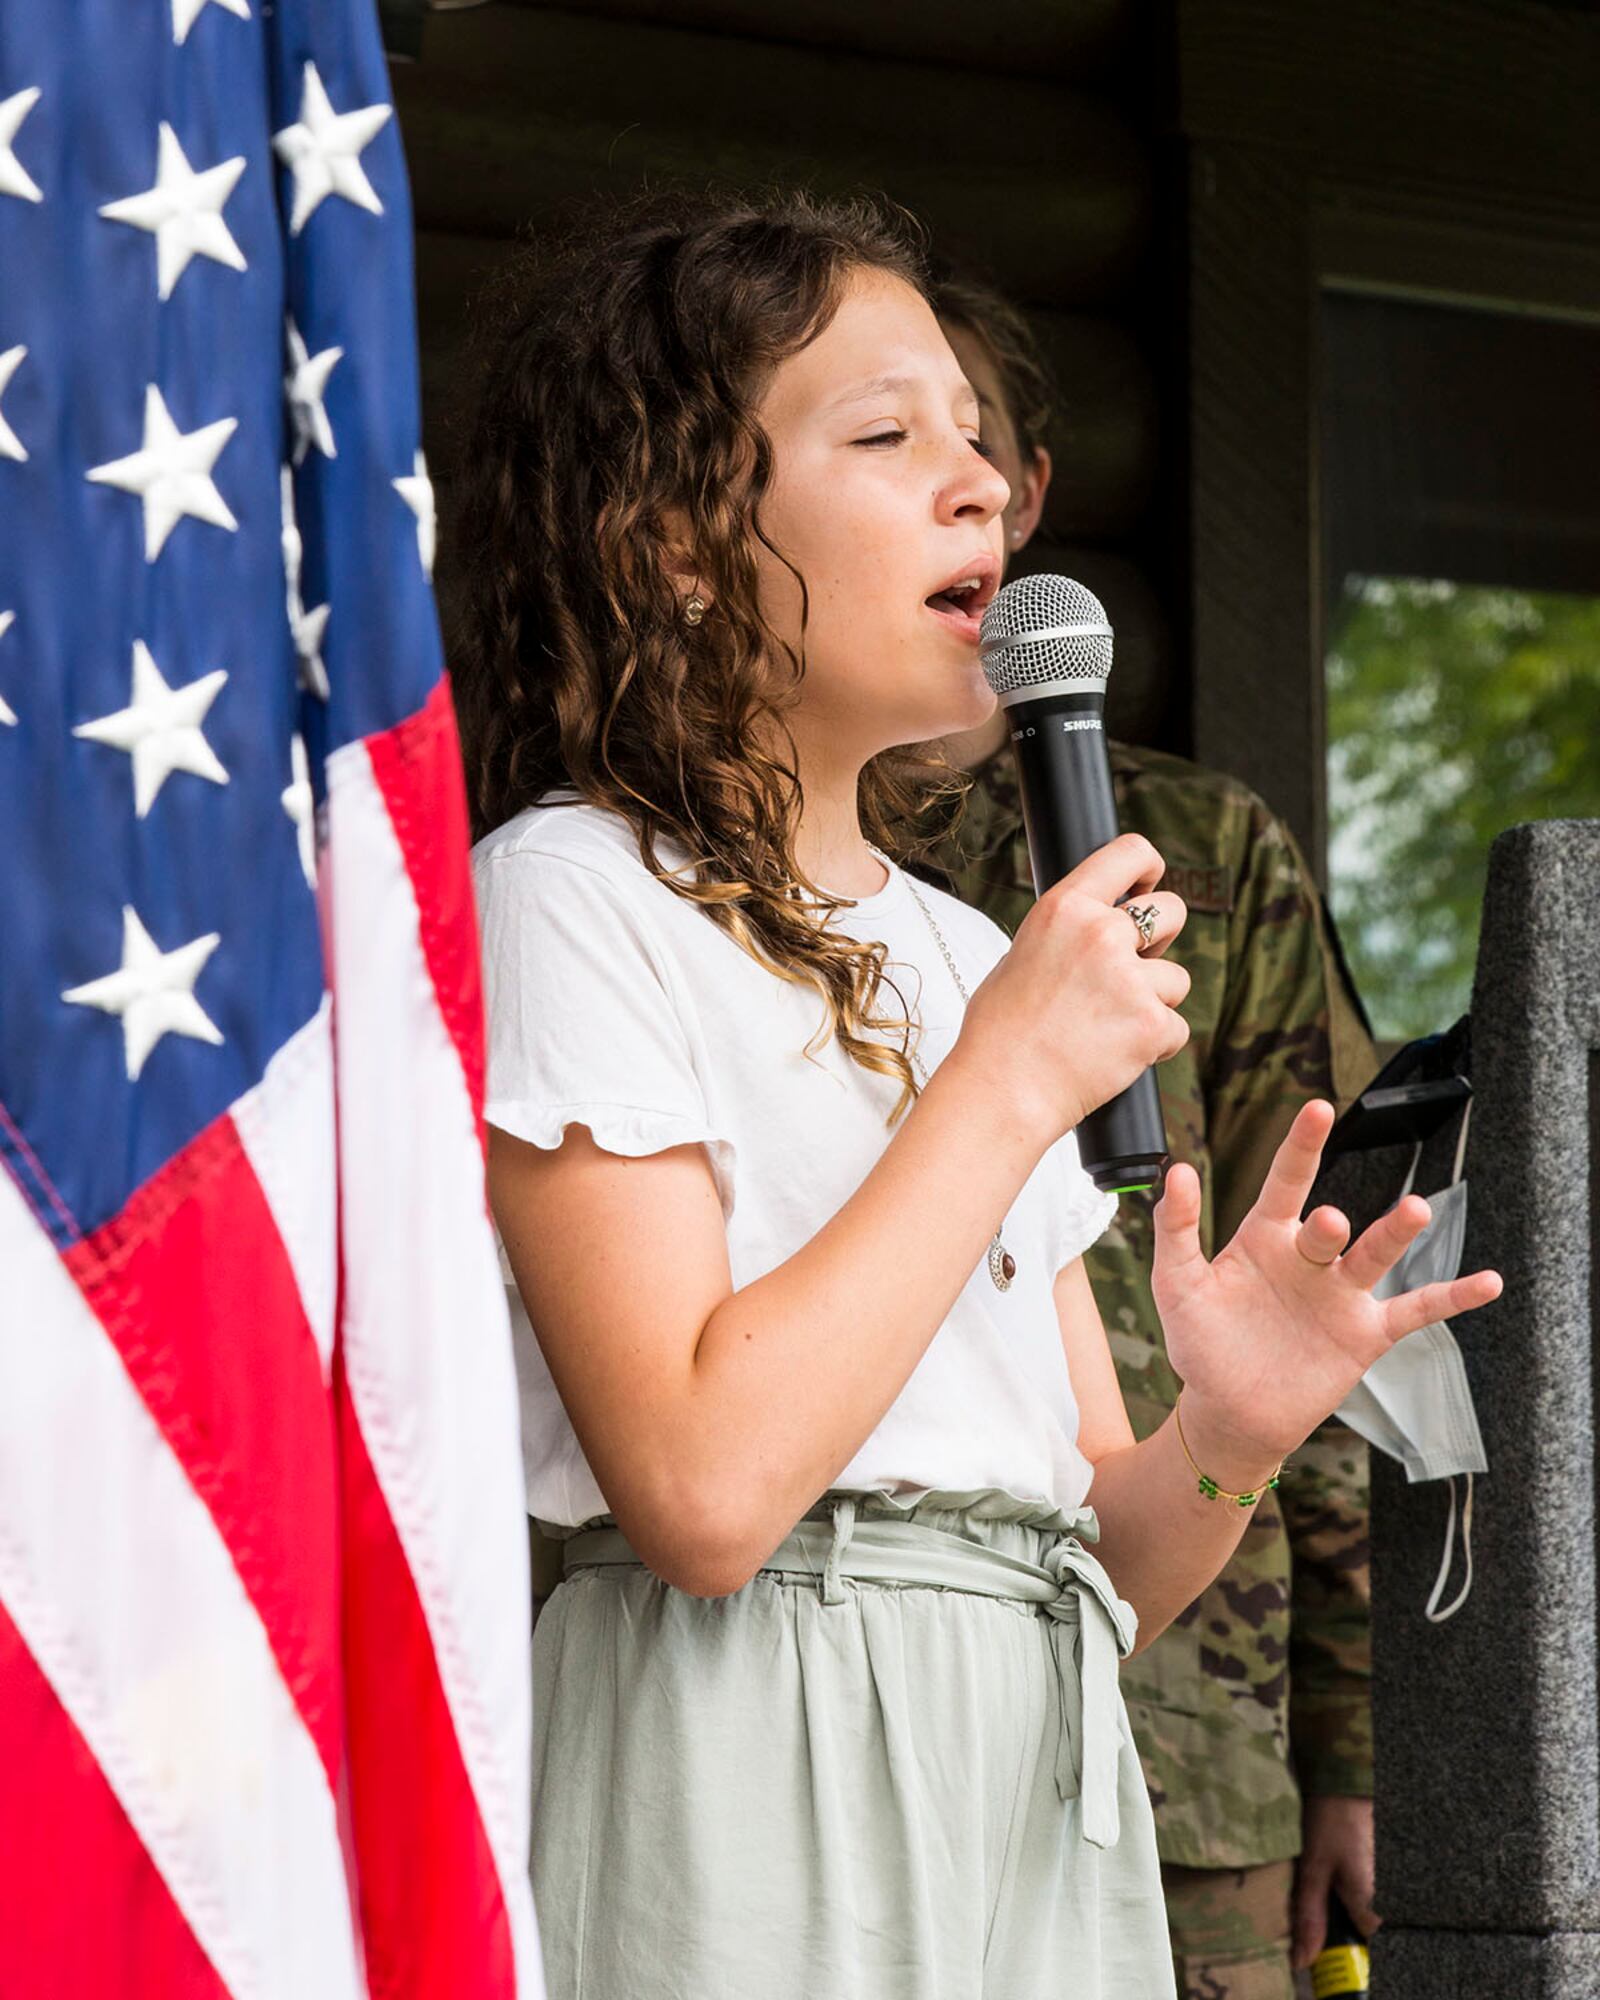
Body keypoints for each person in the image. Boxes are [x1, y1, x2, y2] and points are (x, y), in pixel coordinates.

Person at [451, 189, 1498, 2000]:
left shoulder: (959, 949)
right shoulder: (570, 888)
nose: (983, 487)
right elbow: (702, 1493)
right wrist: (1006, 1080)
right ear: (679, 540)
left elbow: (1105, 1548)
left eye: (978, 438)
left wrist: (1227, 1431)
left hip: (1041, 1755)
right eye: (886, 434)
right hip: (746, 1743)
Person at [926, 269, 1380, 1997]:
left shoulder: (1198, 847)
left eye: (972, 442)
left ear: (1030, 495)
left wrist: (1348, 1733)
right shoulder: (747, 865)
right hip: (843, 1684)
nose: (947, 487)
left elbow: (1318, 1270)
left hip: (1188, 1725)